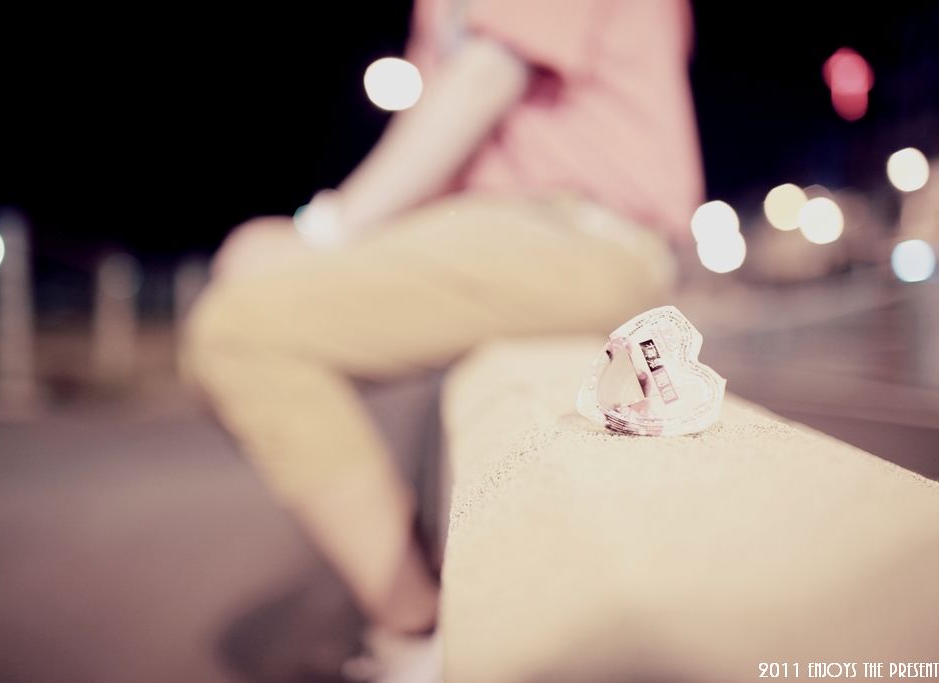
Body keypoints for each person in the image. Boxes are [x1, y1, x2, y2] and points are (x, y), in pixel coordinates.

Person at [184, 0, 702, 679]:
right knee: (244, 322)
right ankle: (419, 617)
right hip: (526, 230)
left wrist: (319, 234)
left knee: (239, 333)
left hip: (576, 231)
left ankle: (416, 636)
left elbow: (486, 77)